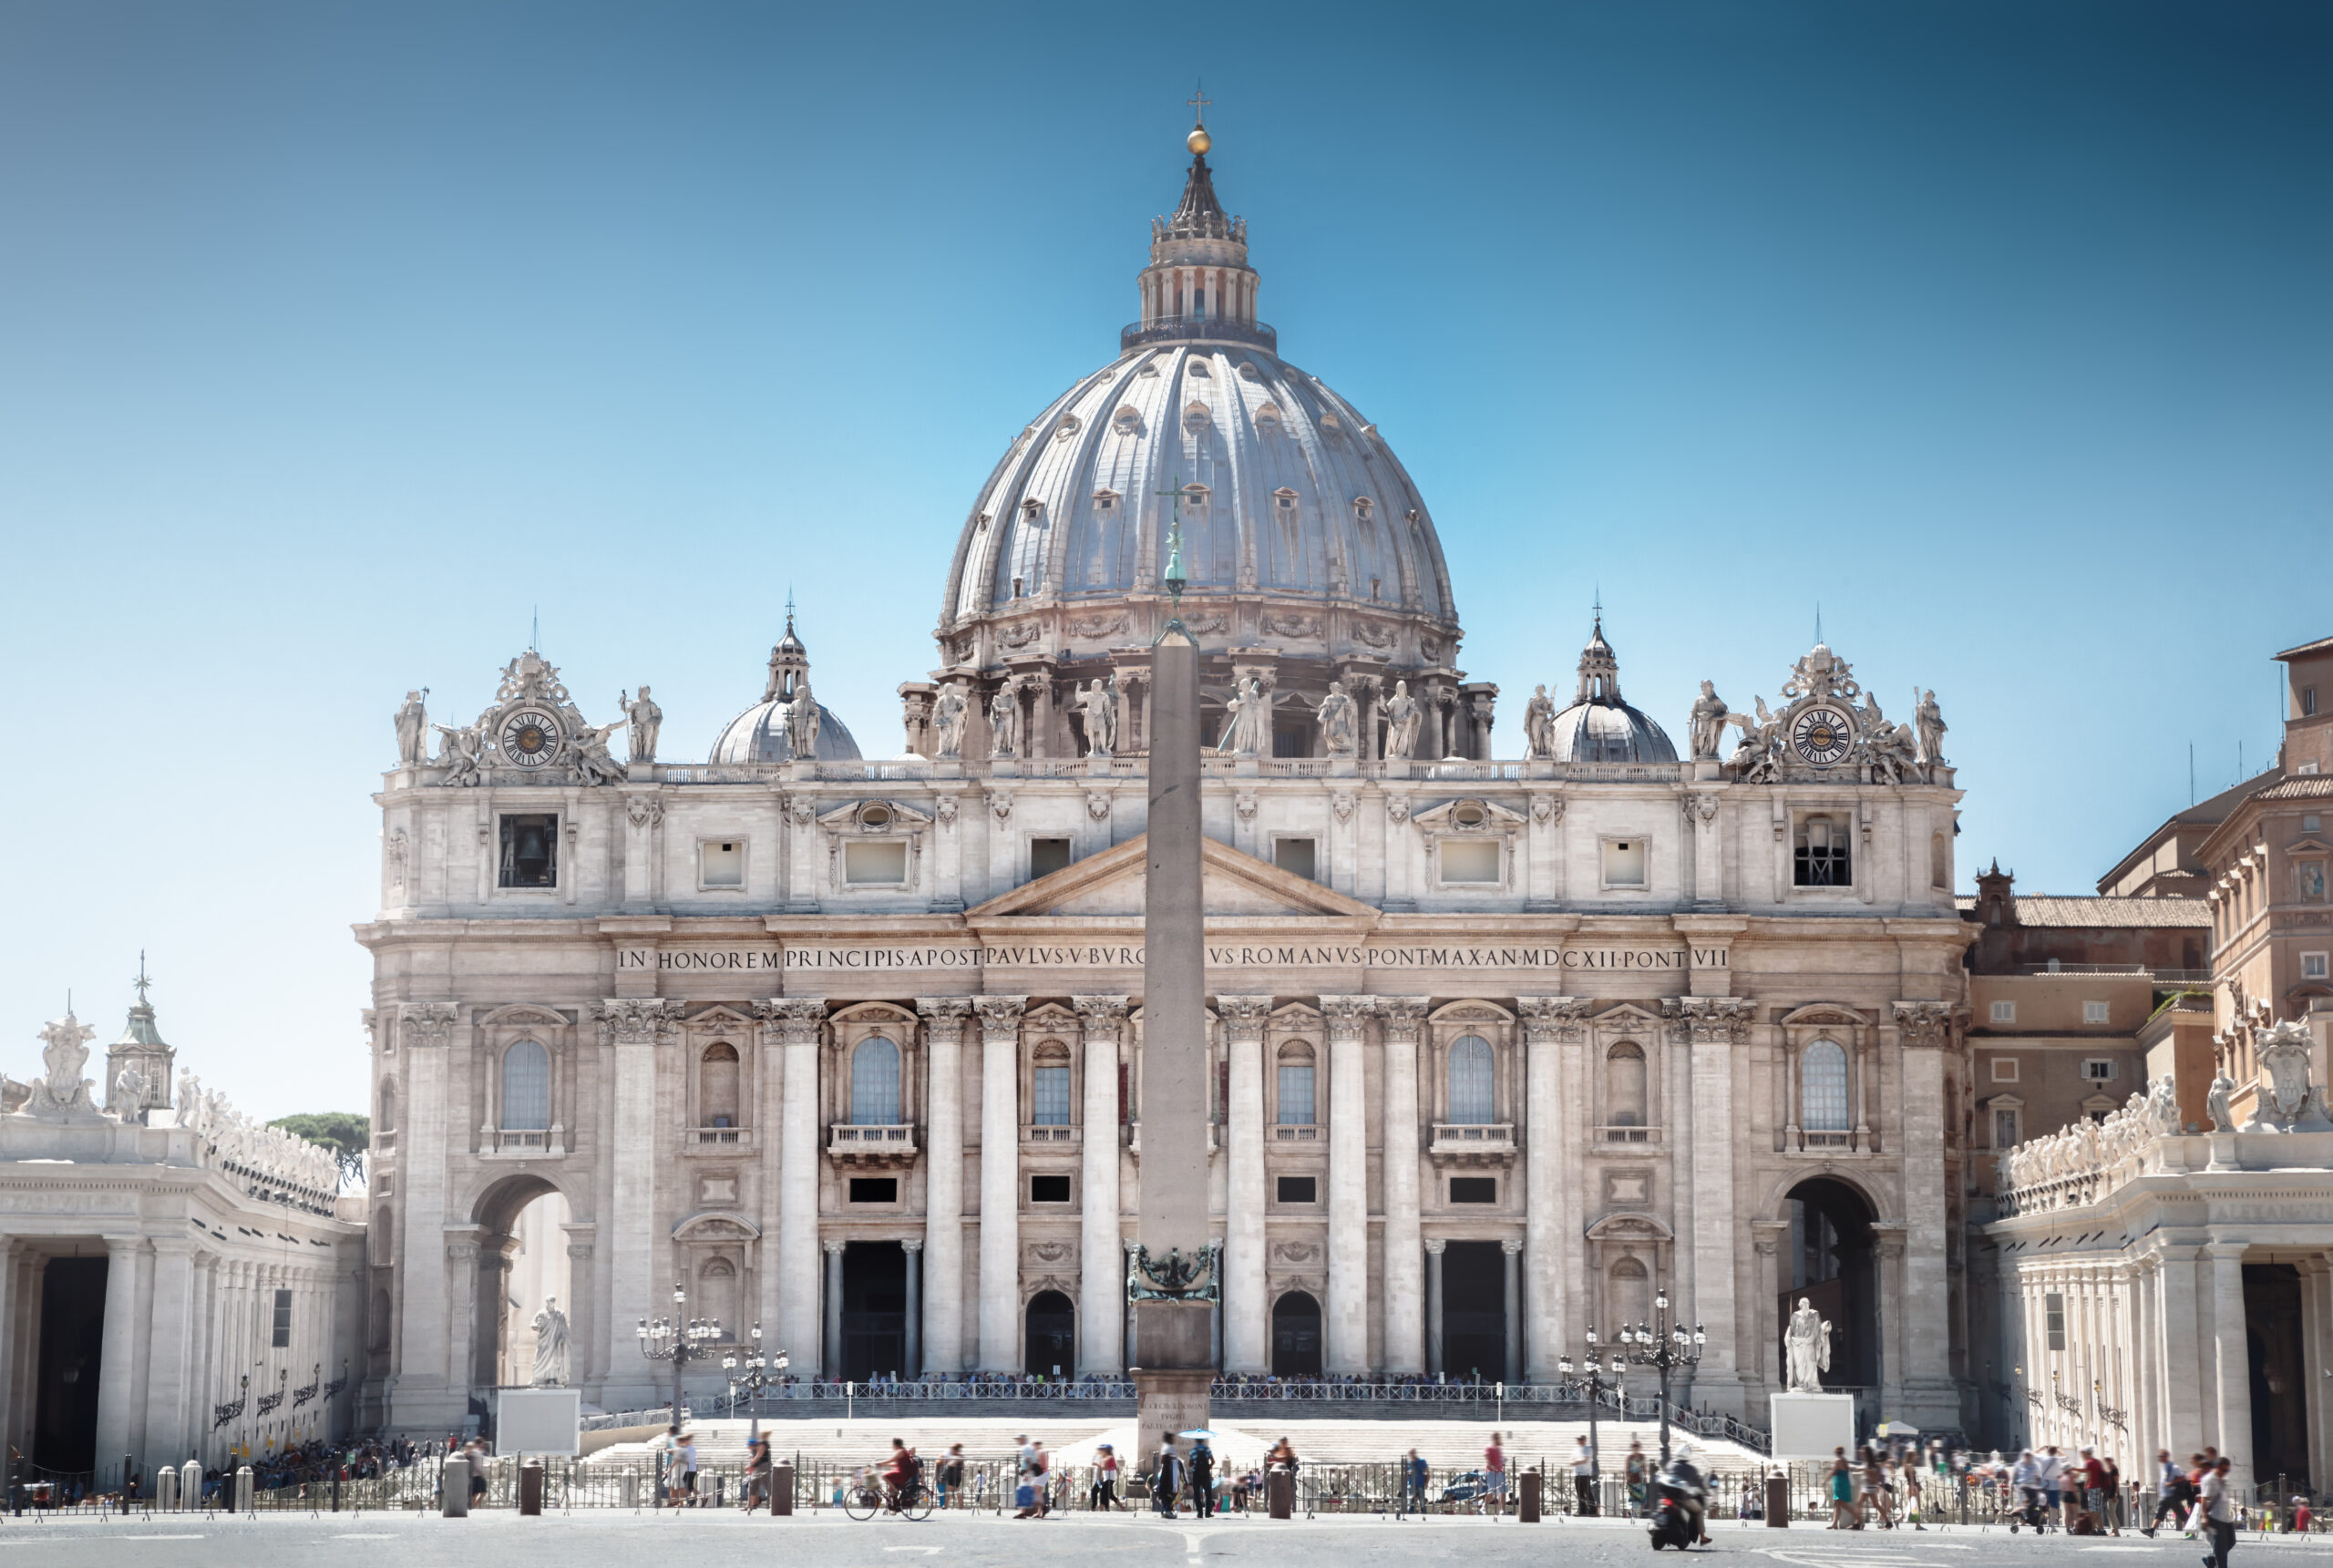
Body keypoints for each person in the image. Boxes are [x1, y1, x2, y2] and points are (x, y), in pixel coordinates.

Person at [2145, 1450, 2194, 1535]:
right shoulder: (2164, 1467)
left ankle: (2191, 1532)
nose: (2159, 1458)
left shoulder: (2173, 1467)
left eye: (2161, 1456)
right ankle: (2151, 1530)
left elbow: (2182, 1477)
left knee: (2182, 1514)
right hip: (2166, 1495)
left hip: (2172, 1495)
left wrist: (2172, 1483)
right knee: (2160, 1512)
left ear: (2166, 1456)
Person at [2201, 1455, 2236, 1568]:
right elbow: (2204, 1499)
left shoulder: (2225, 1480)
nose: (2225, 1472)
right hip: (2214, 1516)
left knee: (2231, 1541)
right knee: (2221, 1545)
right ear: (2216, 1467)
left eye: (2227, 1470)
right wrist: (2204, 1517)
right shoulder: (2208, 1480)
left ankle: (2211, 1558)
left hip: (2226, 1516)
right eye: (2223, 1470)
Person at [1154, 1440, 1184, 1517]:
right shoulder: (1168, 1464)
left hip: (1167, 1484)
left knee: (1166, 1495)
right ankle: (1166, 1510)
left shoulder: (1168, 1464)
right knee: (1167, 1495)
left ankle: (1165, 1510)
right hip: (1167, 1484)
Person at [742, 1437, 773, 1514]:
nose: (748, 1447)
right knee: (751, 1487)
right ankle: (750, 1505)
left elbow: (756, 1461)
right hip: (757, 1471)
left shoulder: (759, 1450)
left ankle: (775, 1505)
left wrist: (749, 1467)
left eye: (749, 1445)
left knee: (770, 1488)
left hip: (763, 1470)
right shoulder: (754, 1451)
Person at [1829, 1448, 1858, 1529]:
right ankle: (1834, 1523)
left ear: (1836, 1452)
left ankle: (1859, 1519)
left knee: (1843, 1504)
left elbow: (1833, 1472)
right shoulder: (1844, 1460)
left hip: (1840, 1484)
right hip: (1843, 1483)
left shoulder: (1838, 1460)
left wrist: (1825, 1480)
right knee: (1837, 1504)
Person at [1188, 1438, 1216, 1519]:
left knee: (1197, 1494)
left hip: (1196, 1474)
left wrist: (1195, 1463)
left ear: (1196, 1441)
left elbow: (1190, 1464)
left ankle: (1199, 1513)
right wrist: (1209, 1467)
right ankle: (1207, 1513)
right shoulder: (1207, 1450)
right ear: (1203, 1441)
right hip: (1205, 1474)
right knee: (1208, 1493)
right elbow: (1213, 1461)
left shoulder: (1193, 1451)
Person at [1574, 1435, 1598, 1516]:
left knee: (1587, 1492)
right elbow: (1571, 1461)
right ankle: (1582, 1510)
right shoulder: (1576, 1450)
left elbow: (1585, 1460)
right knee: (1579, 1493)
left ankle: (1593, 1510)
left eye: (1581, 1439)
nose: (1580, 1441)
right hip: (1577, 1473)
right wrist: (1578, 1461)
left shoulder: (1588, 1449)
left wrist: (1576, 1462)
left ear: (1585, 1440)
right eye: (1578, 1439)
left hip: (1585, 1474)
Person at [1094, 1443, 1121, 1511]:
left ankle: (1102, 1509)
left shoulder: (1109, 1457)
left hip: (1109, 1478)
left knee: (1103, 1493)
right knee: (1110, 1494)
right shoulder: (1108, 1457)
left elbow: (1104, 1467)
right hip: (1107, 1478)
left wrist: (1098, 1464)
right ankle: (1120, 1507)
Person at [1484, 1431, 1506, 1512]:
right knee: (1492, 1492)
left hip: (1499, 1472)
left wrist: (1503, 1461)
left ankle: (1502, 1510)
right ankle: (1484, 1507)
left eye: (1499, 1438)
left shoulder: (1499, 1449)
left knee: (1502, 1492)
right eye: (1497, 1438)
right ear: (1493, 1439)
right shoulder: (1489, 1448)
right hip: (1491, 1473)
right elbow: (1488, 1461)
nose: (1499, 1439)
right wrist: (1494, 1469)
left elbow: (1501, 1460)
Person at [938, 1443, 965, 1510]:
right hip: (954, 1476)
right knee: (956, 1492)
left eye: (952, 1450)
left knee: (949, 1492)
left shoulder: (957, 1457)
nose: (951, 1451)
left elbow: (951, 1464)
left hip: (954, 1477)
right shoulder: (959, 1456)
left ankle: (945, 1506)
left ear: (955, 1450)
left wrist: (948, 1461)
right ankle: (960, 1506)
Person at [1626, 1440, 1650, 1517]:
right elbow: (1627, 1469)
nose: (1636, 1449)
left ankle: (1640, 1513)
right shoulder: (1630, 1457)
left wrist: (1646, 1477)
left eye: (1637, 1447)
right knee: (1633, 1497)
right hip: (1632, 1479)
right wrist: (1627, 1479)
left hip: (1641, 1478)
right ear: (1632, 1448)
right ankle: (1633, 1513)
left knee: (1642, 1498)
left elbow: (1645, 1467)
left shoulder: (1642, 1456)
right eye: (1634, 1447)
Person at [1403, 1449, 1428, 1515]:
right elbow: (1407, 1474)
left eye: (1412, 1454)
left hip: (1420, 1484)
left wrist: (1426, 1483)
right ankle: (1411, 1513)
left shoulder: (1421, 1461)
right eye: (1410, 1454)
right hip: (1412, 1484)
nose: (1411, 1455)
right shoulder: (1409, 1463)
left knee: (1422, 1501)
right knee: (1411, 1501)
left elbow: (1427, 1472)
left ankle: (1424, 1514)